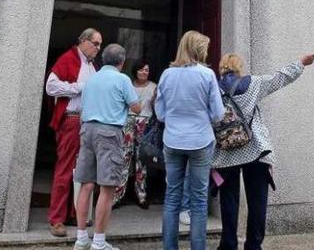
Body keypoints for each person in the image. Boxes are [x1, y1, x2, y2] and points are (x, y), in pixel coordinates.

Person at [212, 52, 314, 250]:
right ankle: (253, 245)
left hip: (225, 154)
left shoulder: (213, 88)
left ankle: (228, 244)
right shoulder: (254, 83)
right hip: (256, 150)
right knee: (257, 201)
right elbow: (280, 77)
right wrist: (302, 63)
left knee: (229, 201)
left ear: (221, 68)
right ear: (239, 68)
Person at [155, 31, 225, 250]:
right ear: (199, 49)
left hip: (173, 139)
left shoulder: (167, 74)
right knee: (199, 200)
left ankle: (169, 247)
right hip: (200, 140)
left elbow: (160, 112)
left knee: (172, 197)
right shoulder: (206, 75)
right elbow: (218, 114)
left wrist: (174, 120)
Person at [74, 44, 142, 250]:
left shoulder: (91, 78)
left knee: (86, 184)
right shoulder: (122, 79)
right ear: (121, 62)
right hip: (109, 132)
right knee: (107, 187)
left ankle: (81, 238)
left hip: (86, 130)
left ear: (103, 59)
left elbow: (82, 105)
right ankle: (99, 242)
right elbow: (136, 107)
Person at [46, 28, 103, 237]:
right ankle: (57, 219)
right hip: (71, 120)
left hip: (87, 122)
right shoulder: (68, 58)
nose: (98, 48)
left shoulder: (91, 65)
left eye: (99, 45)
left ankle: (73, 213)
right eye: (95, 44)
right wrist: (78, 87)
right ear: (83, 41)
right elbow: (50, 86)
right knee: (65, 170)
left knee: (81, 172)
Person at [112, 59, 157, 209]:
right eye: (141, 69)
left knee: (142, 160)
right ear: (135, 71)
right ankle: (117, 195)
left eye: (147, 70)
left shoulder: (154, 87)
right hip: (128, 122)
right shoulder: (128, 85)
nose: (144, 72)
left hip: (146, 124)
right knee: (124, 157)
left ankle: (141, 195)